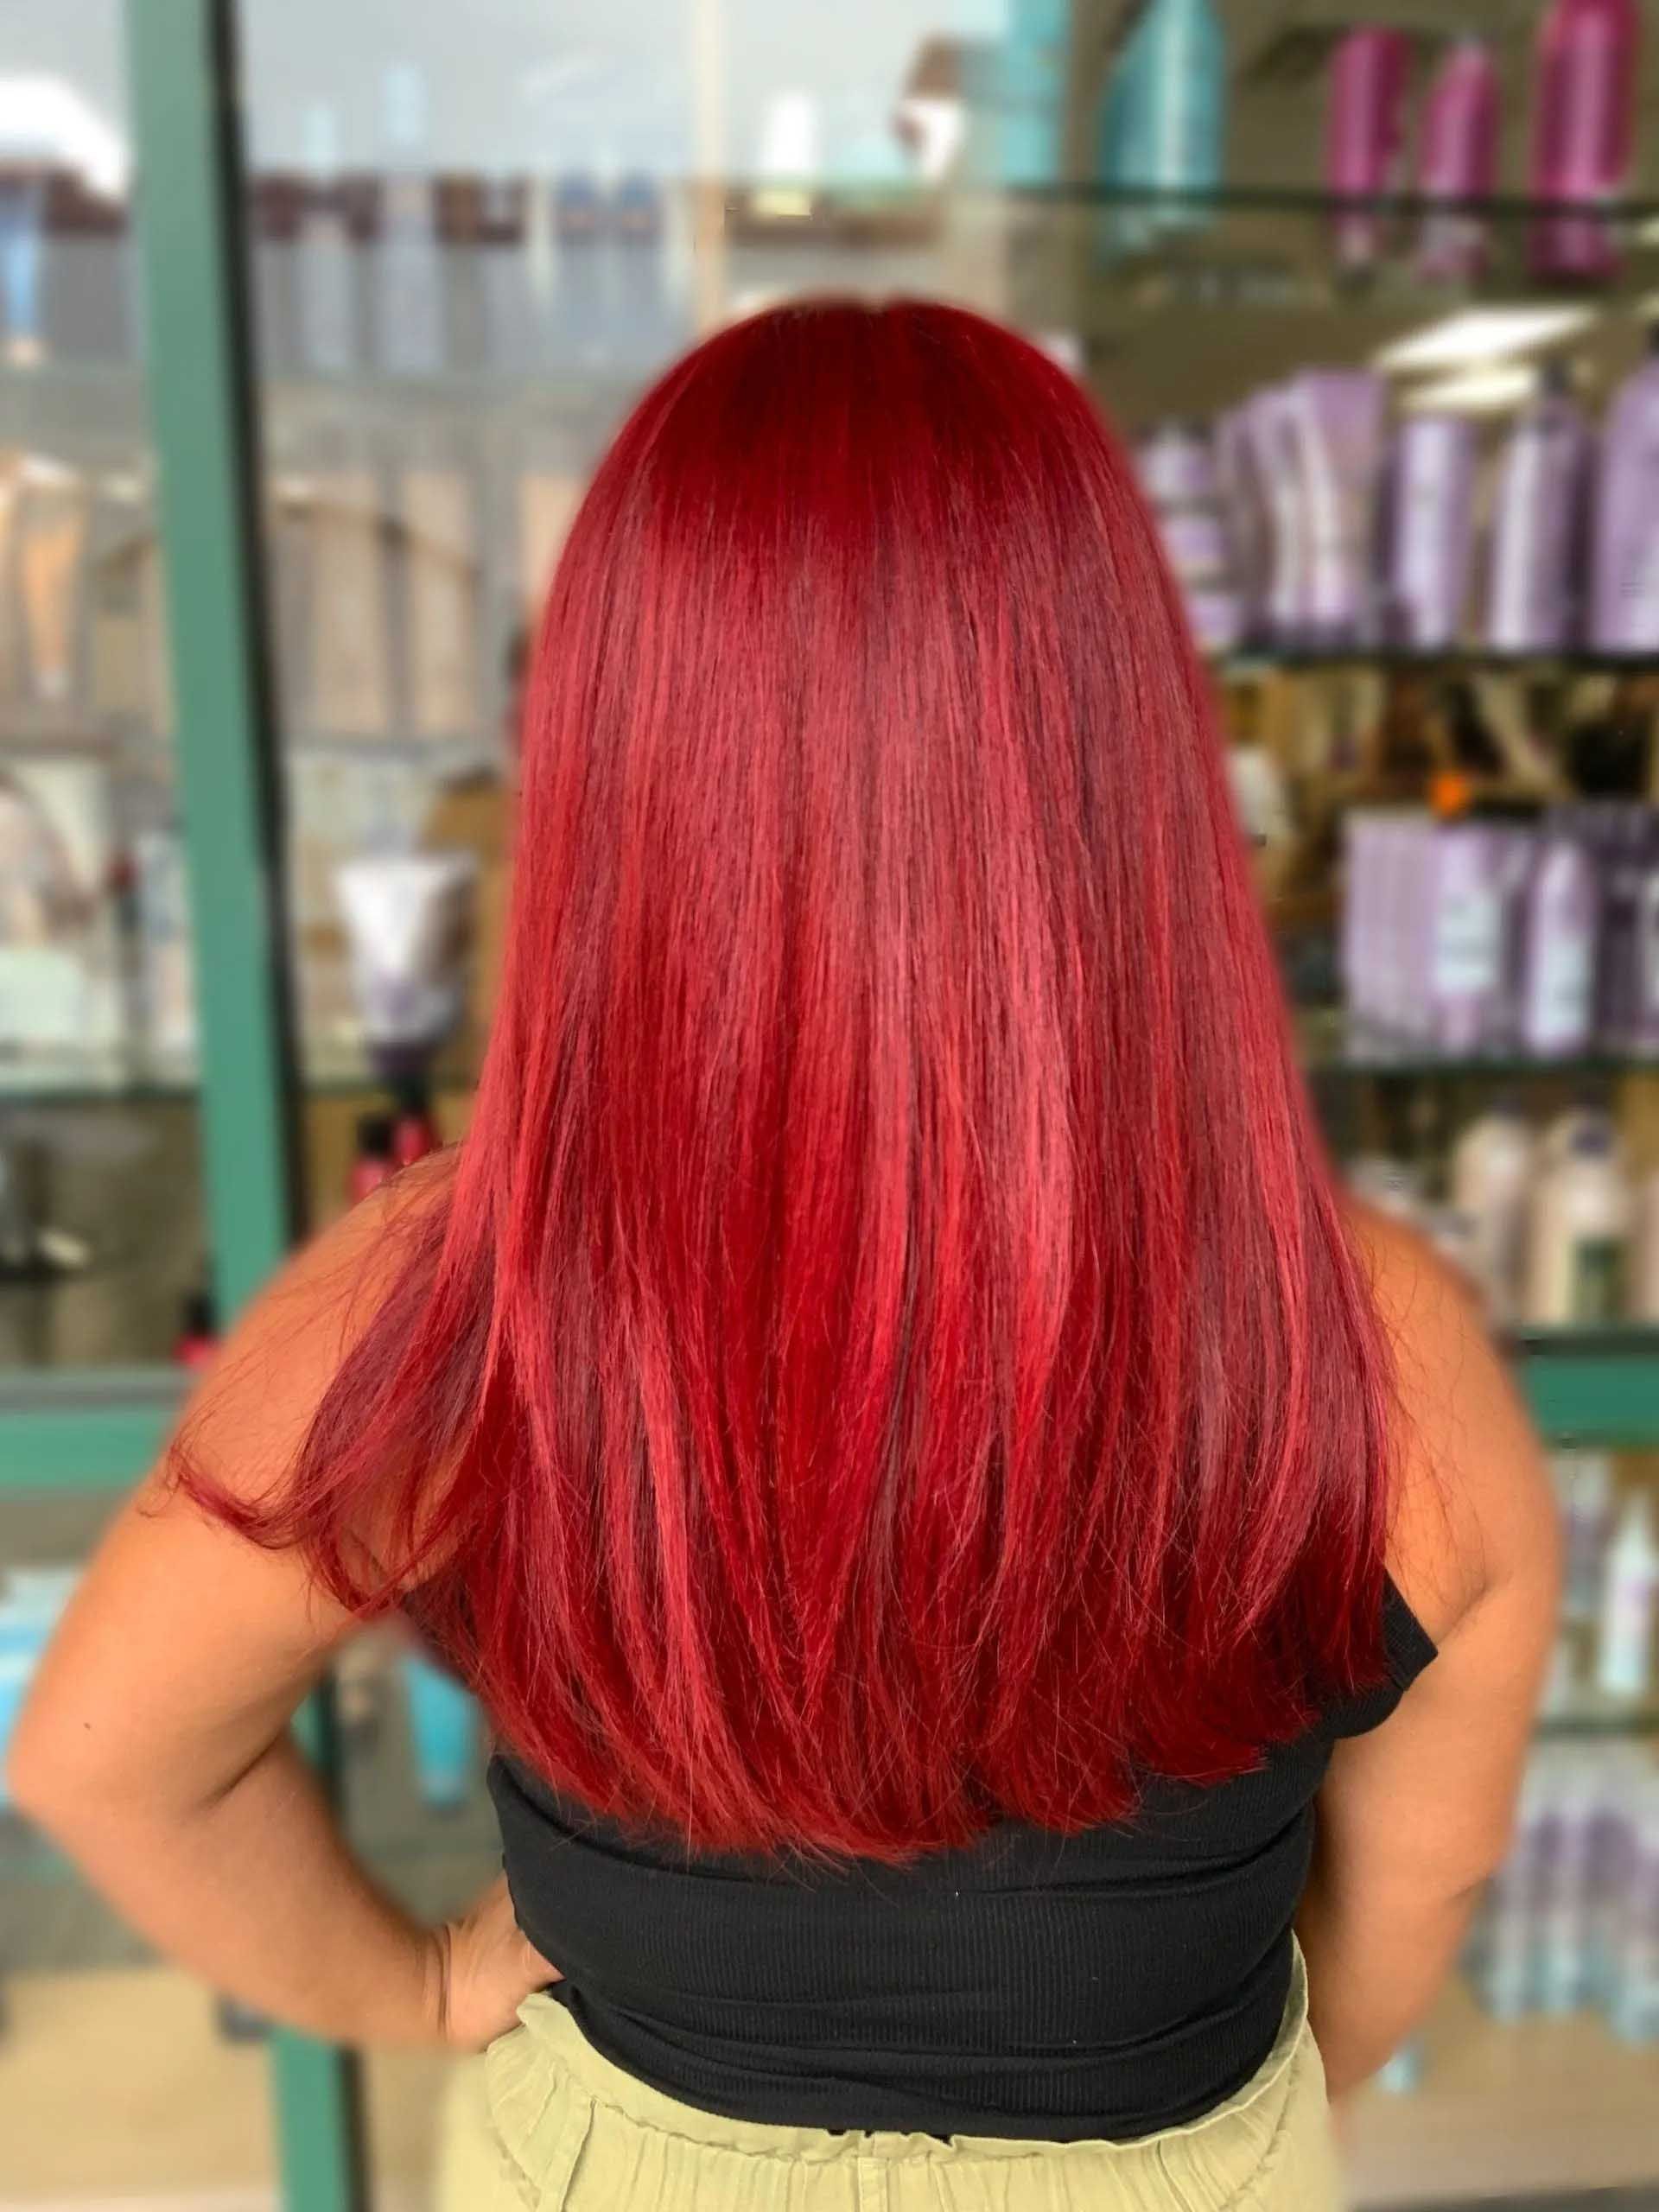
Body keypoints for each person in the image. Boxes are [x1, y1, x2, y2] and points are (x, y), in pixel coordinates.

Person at [10, 302, 1557, 2211]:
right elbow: (1424, 1876)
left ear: (619, 755)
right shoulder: (1382, 1339)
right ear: (1126, 741)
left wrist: (407, 1986)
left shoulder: (457, 1296)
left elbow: (109, 1759)